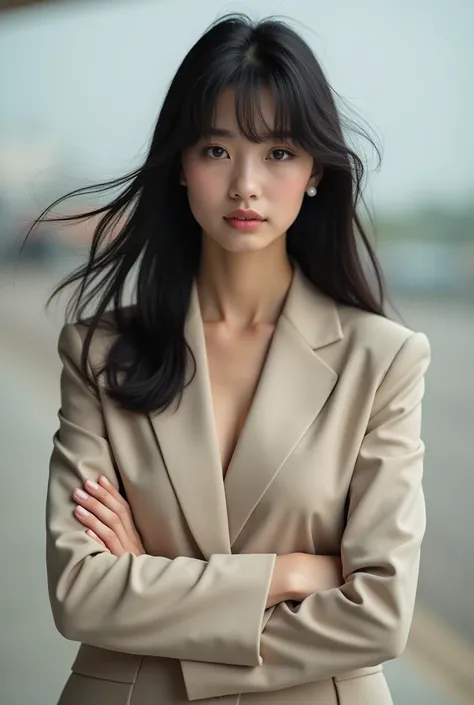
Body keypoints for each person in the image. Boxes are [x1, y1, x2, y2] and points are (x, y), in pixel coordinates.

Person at [40, 13, 431, 705]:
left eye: (278, 152)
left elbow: (379, 613)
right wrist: (286, 573)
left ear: (315, 170)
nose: (246, 184)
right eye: (216, 150)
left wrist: (157, 588)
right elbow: (80, 593)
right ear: (181, 168)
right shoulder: (99, 354)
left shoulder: (384, 360)